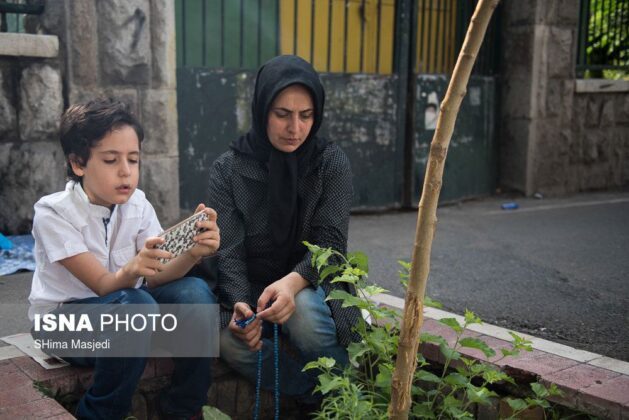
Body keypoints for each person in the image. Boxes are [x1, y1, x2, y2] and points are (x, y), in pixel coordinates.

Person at [28, 98, 220, 420]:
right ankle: (99, 414)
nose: (125, 172)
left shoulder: (138, 203)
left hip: (128, 316)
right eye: (110, 160)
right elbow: (105, 286)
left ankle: (183, 409)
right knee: (136, 306)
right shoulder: (52, 213)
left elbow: (156, 275)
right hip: (62, 324)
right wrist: (133, 267)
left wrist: (192, 253)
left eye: (133, 159)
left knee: (196, 294)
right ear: (78, 164)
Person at [207, 55, 360, 404]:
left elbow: (331, 244)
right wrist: (241, 306)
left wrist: (292, 283)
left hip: (311, 282)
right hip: (252, 290)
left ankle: (346, 401)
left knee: (303, 313)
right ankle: (311, 398)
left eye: (306, 116)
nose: (295, 128)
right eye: (282, 114)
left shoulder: (329, 162)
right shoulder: (228, 169)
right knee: (223, 339)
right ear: (262, 110)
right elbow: (227, 251)